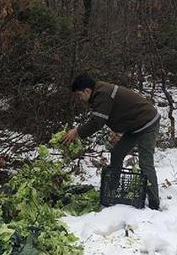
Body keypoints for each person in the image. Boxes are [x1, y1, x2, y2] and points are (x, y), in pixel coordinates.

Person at [63, 74, 161, 210]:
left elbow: (97, 122)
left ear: (87, 90)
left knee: (145, 163)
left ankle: (154, 205)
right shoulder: (100, 92)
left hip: (147, 123)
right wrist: (119, 130)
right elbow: (116, 111)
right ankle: (113, 191)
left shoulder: (102, 93)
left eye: (80, 95)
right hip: (135, 125)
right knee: (117, 153)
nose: (80, 99)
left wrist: (77, 132)